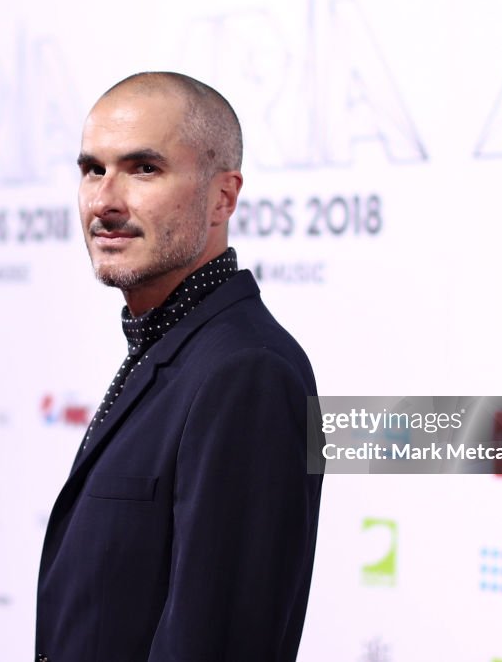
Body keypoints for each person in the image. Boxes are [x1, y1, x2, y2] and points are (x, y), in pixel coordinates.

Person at [35, 72, 323, 662]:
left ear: (223, 197)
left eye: (144, 169)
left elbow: (222, 644)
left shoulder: (246, 372)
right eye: (93, 169)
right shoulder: (169, 349)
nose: (105, 201)